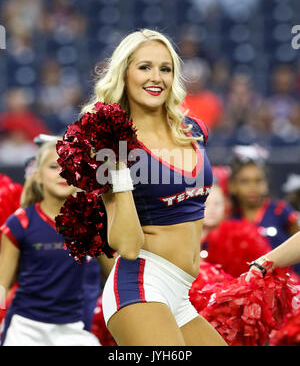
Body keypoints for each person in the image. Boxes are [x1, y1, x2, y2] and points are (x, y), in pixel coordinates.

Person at [81, 29, 227, 346]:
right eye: (144, 67)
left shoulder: (194, 130)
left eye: (165, 68)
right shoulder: (111, 145)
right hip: (140, 286)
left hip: (180, 293)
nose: (156, 77)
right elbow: (128, 246)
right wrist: (119, 172)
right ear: (124, 73)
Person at [0, 140, 102, 346]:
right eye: (54, 166)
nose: (62, 173)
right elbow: (3, 283)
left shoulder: (92, 222)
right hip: (25, 329)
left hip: (74, 329)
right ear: (37, 175)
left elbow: (117, 271)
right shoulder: (21, 222)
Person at [228, 146, 300, 274]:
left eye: (258, 181)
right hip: (247, 285)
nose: (252, 187)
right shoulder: (229, 218)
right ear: (232, 186)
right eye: (245, 182)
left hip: (287, 286)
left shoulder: (281, 211)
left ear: (266, 184)